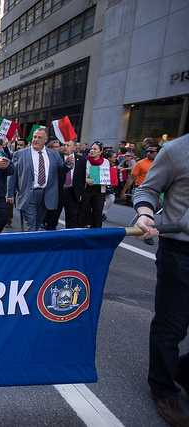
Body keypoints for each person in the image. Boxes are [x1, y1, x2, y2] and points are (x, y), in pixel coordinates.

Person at [132, 133, 189, 427]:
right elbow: (146, 191)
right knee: (173, 325)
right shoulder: (177, 151)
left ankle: (183, 371)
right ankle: (164, 389)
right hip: (181, 249)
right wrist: (145, 215)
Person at [6, 128, 73, 232]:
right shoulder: (20, 154)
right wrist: (10, 193)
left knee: (37, 224)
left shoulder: (54, 155)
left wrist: (68, 164)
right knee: (30, 225)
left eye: (39, 137)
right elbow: (12, 175)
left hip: (46, 195)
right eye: (34, 137)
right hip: (28, 194)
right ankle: (30, 246)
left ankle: (30, 242)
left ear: (45, 139)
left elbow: (61, 169)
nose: (36, 140)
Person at [44, 139, 86, 229]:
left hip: (72, 192)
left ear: (74, 147)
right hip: (58, 191)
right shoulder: (57, 157)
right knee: (53, 217)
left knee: (72, 219)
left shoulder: (81, 159)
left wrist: (80, 193)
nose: (66, 147)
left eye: (69, 145)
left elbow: (81, 177)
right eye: (64, 145)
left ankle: (69, 239)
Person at [76, 142, 110, 228]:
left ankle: (97, 231)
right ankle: (79, 229)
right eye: (91, 149)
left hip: (100, 189)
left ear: (100, 151)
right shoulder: (84, 160)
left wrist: (107, 181)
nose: (92, 151)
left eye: (95, 149)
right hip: (87, 189)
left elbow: (107, 174)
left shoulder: (105, 162)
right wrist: (86, 179)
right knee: (82, 210)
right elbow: (80, 174)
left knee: (97, 212)